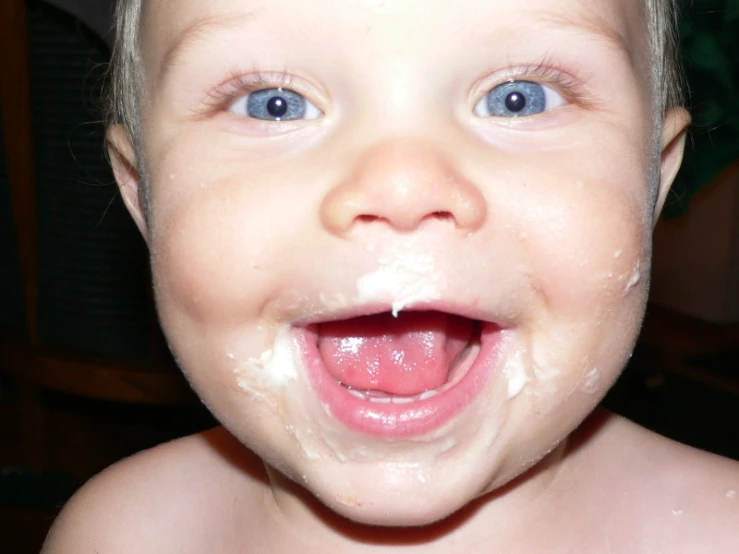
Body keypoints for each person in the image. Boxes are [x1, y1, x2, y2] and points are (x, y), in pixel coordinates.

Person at [42, 0, 739, 551]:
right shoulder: (118, 535)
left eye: (517, 97)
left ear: (653, 179)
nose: (400, 186)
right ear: (145, 195)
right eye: (272, 104)